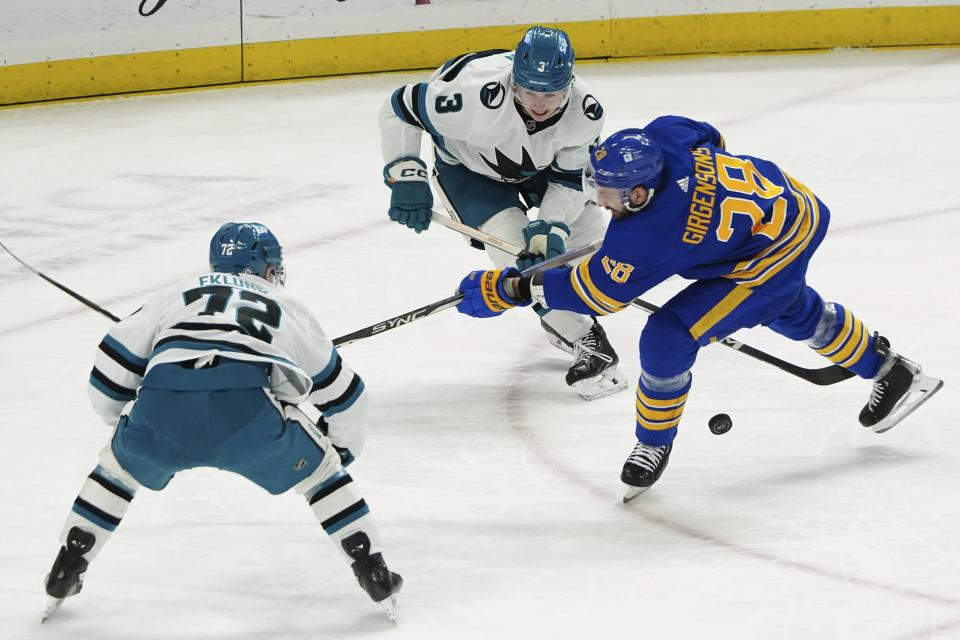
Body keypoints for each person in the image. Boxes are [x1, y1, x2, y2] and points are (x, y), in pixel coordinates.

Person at [453, 116, 944, 501]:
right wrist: (712, 224)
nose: (601, 205)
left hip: (767, 255)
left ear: (641, 193)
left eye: (609, 197)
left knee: (668, 337)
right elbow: (709, 136)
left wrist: (512, 290)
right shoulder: (663, 137)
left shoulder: (647, 234)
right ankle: (889, 370)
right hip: (793, 206)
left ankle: (654, 441)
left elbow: (596, 294)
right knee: (790, 308)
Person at [41, 222, 402, 622]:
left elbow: (107, 374)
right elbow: (346, 396)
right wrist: (340, 452)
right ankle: (372, 568)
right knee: (322, 477)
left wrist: (126, 428)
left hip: (162, 409)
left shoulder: (176, 294)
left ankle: (68, 564)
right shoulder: (286, 307)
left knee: (116, 471)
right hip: (247, 418)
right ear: (267, 268)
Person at [378, 25, 626, 400]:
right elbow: (400, 108)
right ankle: (583, 337)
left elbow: (571, 180)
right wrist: (406, 174)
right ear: (513, 83)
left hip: (543, 170)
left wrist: (551, 228)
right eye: (529, 92)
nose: (540, 104)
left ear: (570, 83)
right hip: (470, 171)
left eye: (553, 93)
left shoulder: (586, 111)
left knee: (584, 242)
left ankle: (556, 312)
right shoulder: (472, 98)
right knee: (515, 255)